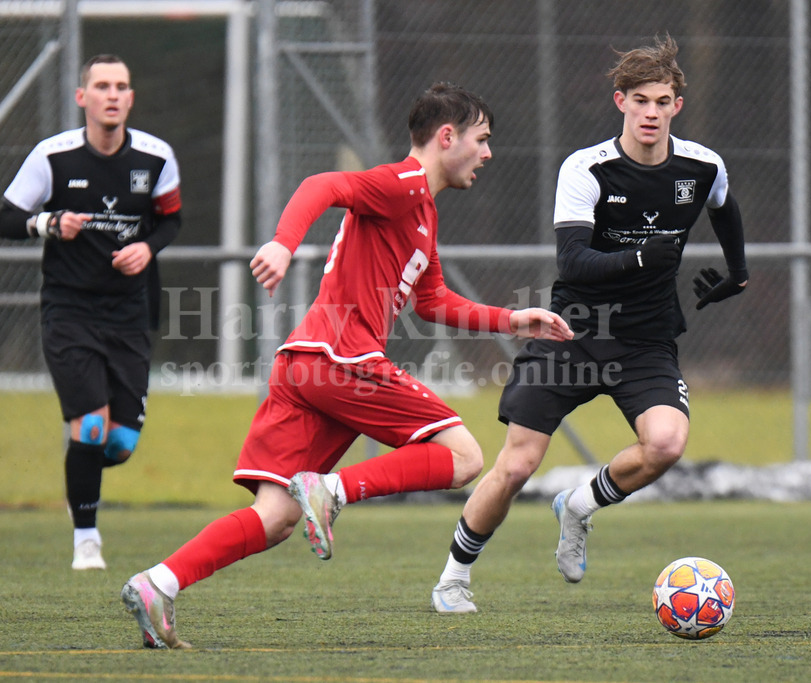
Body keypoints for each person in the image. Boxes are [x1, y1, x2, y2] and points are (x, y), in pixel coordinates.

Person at [120, 82, 572, 649]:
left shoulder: (423, 213)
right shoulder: (403, 183)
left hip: (304, 366)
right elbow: (323, 184)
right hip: (340, 356)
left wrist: (510, 320)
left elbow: (432, 302)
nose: (487, 153)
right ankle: (331, 492)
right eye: (481, 140)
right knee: (464, 457)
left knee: (278, 515)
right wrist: (285, 243)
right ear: (447, 136)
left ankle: (158, 583)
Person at [431, 35, 748, 613]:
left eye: (662, 101)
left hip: (647, 339)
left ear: (678, 104)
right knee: (518, 464)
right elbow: (574, 261)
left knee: (667, 442)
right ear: (620, 101)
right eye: (640, 100)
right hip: (571, 333)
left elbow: (723, 205)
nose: (651, 112)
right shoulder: (586, 168)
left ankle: (579, 504)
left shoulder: (702, 165)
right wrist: (640, 258)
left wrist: (739, 272)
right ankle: (453, 576)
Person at [0, 54, 181, 571]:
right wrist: (49, 224)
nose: (112, 94)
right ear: (83, 97)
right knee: (92, 427)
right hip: (70, 310)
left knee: (118, 444)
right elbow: (6, 220)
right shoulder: (52, 157)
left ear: (131, 98)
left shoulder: (156, 157)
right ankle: (86, 539)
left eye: (121, 85)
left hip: (130, 313)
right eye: (102, 86)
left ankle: (82, 468)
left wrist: (149, 248)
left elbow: (171, 221)